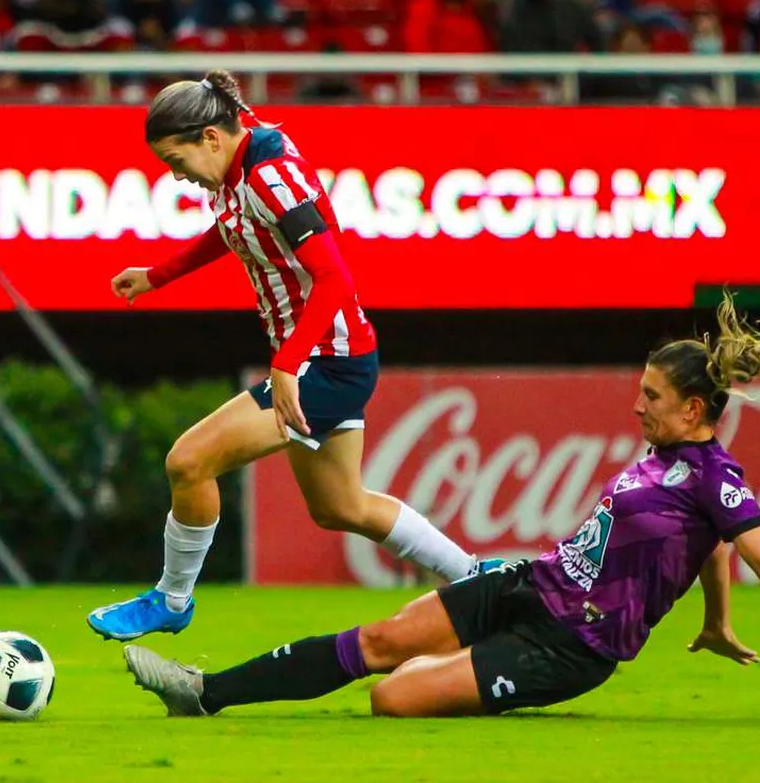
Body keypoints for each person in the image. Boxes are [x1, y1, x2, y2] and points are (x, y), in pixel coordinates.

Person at [121, 293, 760, 717]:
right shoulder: (664, 459)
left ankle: (459, 670)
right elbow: (710, 547)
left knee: (392, 698)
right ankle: (203, 691)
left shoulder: (717, 476)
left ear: (692, 408)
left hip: (570, 647)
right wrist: (714, 621)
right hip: (531, 584)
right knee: (376, 642)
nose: (637, 404)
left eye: (651, 396)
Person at [87, 69, 499, 642]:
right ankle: (478, 579)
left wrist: (286, 366)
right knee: (341, 507)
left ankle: (171, 600)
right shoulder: (234, 156)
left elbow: (333, 278)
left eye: (175, 161)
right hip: (333, 355)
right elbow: (231, 230)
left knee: (188, 462)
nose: (177, 176)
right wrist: (158, 276)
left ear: (209, 137)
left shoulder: (270, 177)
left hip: (324, 362)